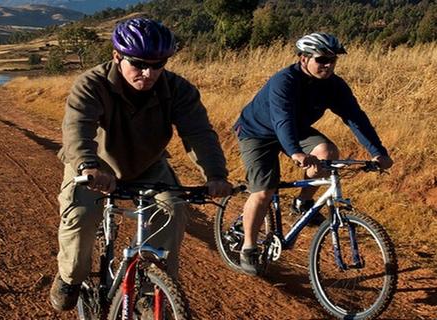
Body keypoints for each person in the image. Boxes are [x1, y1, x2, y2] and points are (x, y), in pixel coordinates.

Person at [49, 17, 233, 312]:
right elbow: (77, 128)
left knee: (173, 210)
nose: (148, 73)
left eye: (158, 64)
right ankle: (70, 278)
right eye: (138, 63)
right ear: (117, 56)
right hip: (95, 166)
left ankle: (151, 290)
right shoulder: (91, 84)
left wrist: (216, 174)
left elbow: (198, 133)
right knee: (81, 216)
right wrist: (87, 166)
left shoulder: (178, 89)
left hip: (148, 165)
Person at [233, 32, 393, 275]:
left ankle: (303, 202)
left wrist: (378, 152)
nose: (328, 66)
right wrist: (295, 152)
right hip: (258, 133)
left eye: (333, 60)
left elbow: (355, 118)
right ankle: (248, 248)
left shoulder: (334, 85)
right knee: (264, 190)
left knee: (327, 152)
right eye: (321, 60)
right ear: (303, 58)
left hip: (295, 130)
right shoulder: (284, 81)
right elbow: (281, 119)